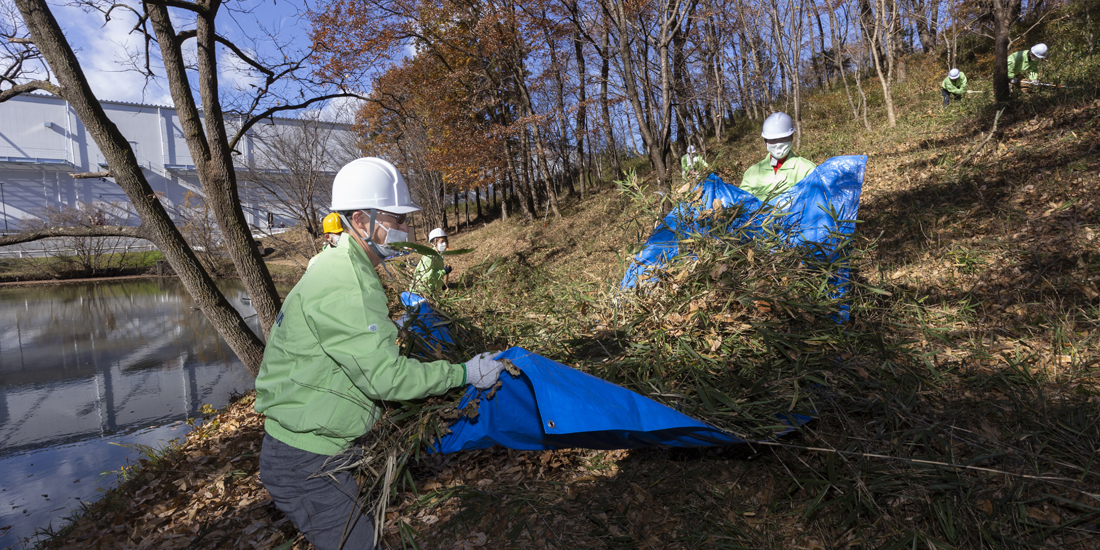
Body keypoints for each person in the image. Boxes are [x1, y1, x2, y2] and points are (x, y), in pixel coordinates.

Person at [254, 157, 506, 550]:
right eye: (397, 220)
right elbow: (386, 378)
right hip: (305, 460)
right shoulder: (347, 279)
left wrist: (392, 331)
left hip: (311, 446)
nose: (405, 229)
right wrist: (463, 374)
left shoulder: (336, 264)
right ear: (360, 221)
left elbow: (344, 341)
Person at [739, 112, 816, 201]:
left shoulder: (807, 168)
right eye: (773, 140)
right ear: (765, 141)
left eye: (783, 139)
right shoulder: (752, 173)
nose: (778, 144)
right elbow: (741, 202)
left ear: (791, 137)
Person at [410, 227, 452, 295]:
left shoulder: (438, 255)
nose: (444, 244)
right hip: (420, 291)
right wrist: (444, 271)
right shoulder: (430, 257)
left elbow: (434, 273)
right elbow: (428, 278)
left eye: (445, 241)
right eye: (442, 241)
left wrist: (442, 284)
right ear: (434, 243)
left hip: (429, 290)